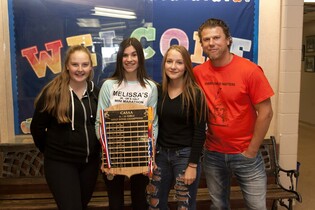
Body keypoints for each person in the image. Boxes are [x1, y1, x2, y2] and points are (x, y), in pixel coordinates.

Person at [193, 18, 274, 210]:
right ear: (201, 44)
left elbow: (266, 112)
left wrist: (252, 150)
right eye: (206, 39)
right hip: (213, 154)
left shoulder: (250, 71)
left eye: (216, 37)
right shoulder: (198, 73)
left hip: (246, 154)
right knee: (219, 206)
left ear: (228, 40)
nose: (211, 43)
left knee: (256, 207)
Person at [30, 45, 101, 210]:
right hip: (61, 164)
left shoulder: (95, 93)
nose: (80, 69)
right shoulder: (53, 93)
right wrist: (51, 150)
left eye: (84, 65)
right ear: (67, 66)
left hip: (89, 164)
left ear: (91, 67)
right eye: (75, 64)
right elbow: (37, 128)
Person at [95, 37, 158, 210]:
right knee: (115, 203)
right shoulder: (109, 86)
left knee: (139, 202)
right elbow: (99, 122)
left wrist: (150, 157)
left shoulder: (151, 87)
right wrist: (106, 155)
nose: (129, 59)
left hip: (140, 154)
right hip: (115, 154)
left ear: (141, 57)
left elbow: (154, 124)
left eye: (134, 55)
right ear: (119, 58)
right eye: (125, 55)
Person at [146, 45, 208, 210]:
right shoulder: (158, 91)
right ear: (164, 64)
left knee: (185, 206)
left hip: (185, 157)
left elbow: (200, 132)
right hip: (160, 156)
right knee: (155, 204)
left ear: (186, 65)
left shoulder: (195, 94)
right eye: (170, 61)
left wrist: (192, 166)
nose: (173, 66)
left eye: (179, 62)